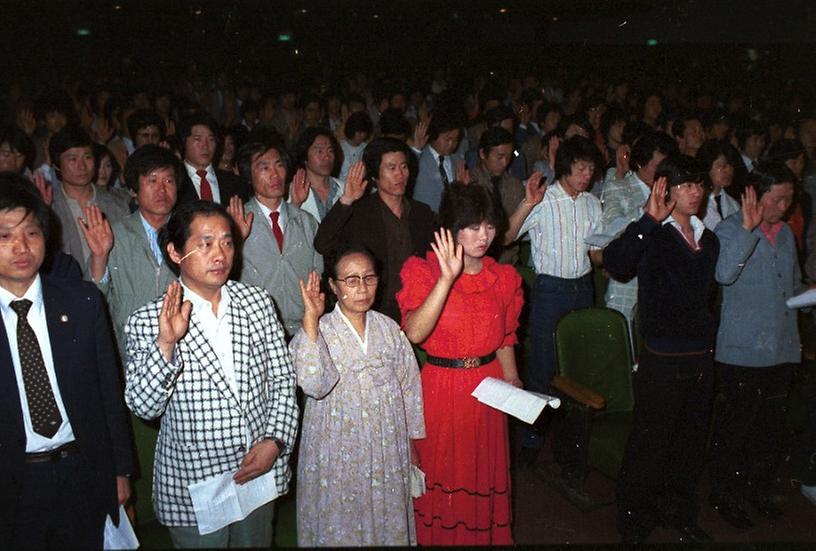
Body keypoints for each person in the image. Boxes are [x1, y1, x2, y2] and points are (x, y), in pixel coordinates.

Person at [124, 201, 298, 548]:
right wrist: (166, 343)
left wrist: (275, 441)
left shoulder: (257, 302)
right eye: (205, 244)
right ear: (175, 252)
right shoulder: (148, 320)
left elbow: (282, 380)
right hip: (195, 482)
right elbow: (144, 407)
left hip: (256, 470)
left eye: (227, 242)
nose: (220, 254)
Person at [0, 180, 134, 548]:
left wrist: (119, 470)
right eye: (5, 236)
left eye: (31, 232)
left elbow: (109, 389)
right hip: (13, 480)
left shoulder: (81, 301)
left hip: (81, 469)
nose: (21, 247)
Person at [397, 183, 524, 545]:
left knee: (483, 477)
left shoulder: (503, 278)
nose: (483, 236)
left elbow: (505, 337)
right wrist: (447, 278)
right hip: (442, 387)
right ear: (451, 230)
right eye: (472, 226)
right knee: (445, 479)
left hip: (489, 387)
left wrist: (513, 379)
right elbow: (415, 332)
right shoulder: (423, 270)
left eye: (488, 226)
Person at [604, 156, 718, 544]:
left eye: (699, 184)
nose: (695, 192)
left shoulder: (709, 238)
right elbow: (616, 264)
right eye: (685, 185)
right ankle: (634, 524)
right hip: (662, 357)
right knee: (650, 444)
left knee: (689, 442)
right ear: (664, 191)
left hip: (699, 355)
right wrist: (647, 221)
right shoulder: (652, 233)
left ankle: (679, 512)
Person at [290, 251, 425, 546]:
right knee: (340, 518)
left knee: (386, 514)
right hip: (336, 448)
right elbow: (313, 383)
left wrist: (413, 441)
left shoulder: (389, 329)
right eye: (351, 280)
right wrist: (310, 320)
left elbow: (409, 387)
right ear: (334, 286)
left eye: (369, 278)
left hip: (386, 445)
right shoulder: (319, 329)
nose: (362, 288)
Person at [708, 162, 802, 529]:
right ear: (752, 197)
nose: (784, 207)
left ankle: (755, 489)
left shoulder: (786, 234)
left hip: (781, 347)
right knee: (737, 429)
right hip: (744, 351)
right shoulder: (730, 229)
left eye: (789, 199)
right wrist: (748, 229)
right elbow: (723, 274)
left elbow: (790, 285)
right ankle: (724, 494)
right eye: (777, 199)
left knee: (768, 429)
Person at [505, 135, 603, 462]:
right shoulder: (543, 199)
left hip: (583, 287)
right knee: (542, 365)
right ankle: (532, 439)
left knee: (577, 364)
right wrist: (527, 203)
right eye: (579, 167)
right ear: (564, 166)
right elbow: (506, 236)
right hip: (550, 289)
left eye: (591, 168)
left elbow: (596, 253)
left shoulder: (592, 203)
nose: (586, 174)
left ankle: (570, 439)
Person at [314, 137, 435, 323]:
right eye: (391, 168)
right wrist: (346, 200)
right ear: (374, 176)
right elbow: (322, 243)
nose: (400, 175)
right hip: (375, 311)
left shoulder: (422, 212)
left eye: (404, 167)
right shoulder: (360, 212)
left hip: (417, 309)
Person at [83, 144, 181, 356]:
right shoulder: (114, 234)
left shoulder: (188, 232)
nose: (162, 189)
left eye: (169, 180)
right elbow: (92, 300)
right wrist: (99, 258)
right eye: (152, 181)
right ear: (134, 189)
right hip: (129, 353)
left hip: (182, 350)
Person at [230, 140, 322, 337]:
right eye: (264, 167)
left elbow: (318, 272)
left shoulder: (306, 222)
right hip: (256, 331)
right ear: (248, 174)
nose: (274, 174)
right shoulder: (237, 221)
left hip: (304, 329)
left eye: (279, 165)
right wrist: (235, 240)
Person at [48, 125, 129, 271]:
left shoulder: (117, 202)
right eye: (72, 159)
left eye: (87, 157)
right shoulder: (49, 206)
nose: (82, 166)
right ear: (57, 165)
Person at [176, 113, 248, 206]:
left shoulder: (235, 183)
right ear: (184, 142)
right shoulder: (174, 181)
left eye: (211, 139)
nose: (205, 146)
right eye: (198, 139)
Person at [288, 127, 344, 222]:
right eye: (319, 151)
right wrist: (295, 204)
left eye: (330, 151)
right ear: (305, 156)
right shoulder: (292, 191)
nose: (326, 157)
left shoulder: (345, 188)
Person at [412, 111, 464, 212]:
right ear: (434, 135)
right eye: (447, 139)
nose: (451, 144)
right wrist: (416, 149)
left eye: (455, 140)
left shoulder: (458, 160)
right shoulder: (419, 157)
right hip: (425, 218)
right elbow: (408, 169)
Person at [697, 139, 741, 231]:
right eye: (723, 166)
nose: (729, 171)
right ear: (707, 167)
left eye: (731, 166)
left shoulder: (734, 205)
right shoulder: (697, 202)